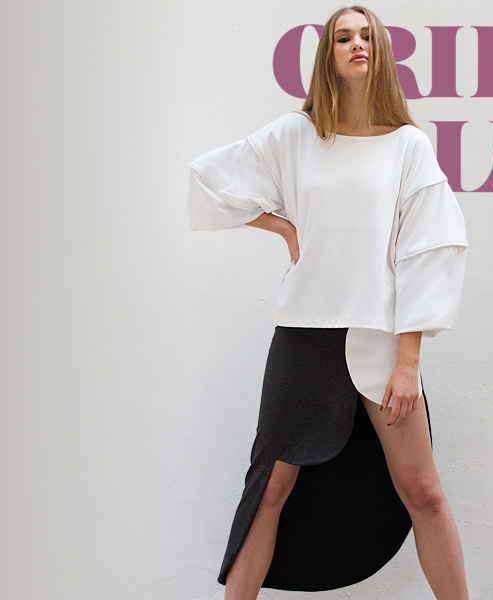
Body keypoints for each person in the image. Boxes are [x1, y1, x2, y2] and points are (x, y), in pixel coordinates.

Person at [186, 6, 470, 599]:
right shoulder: (296, 135)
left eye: (367, 36)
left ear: (381, 51)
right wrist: (283, 226)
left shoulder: (408, 146)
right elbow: (208, 179)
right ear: (328, 54)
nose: (357, 44)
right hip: (304, 335)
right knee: (269, 490)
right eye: (343, 37)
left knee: (423, 490)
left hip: (380, 337)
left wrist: (409, 361)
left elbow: (427, 248)